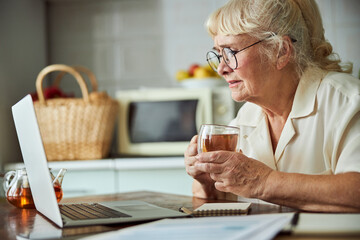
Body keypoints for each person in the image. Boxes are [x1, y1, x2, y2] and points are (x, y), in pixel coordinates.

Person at [184, 0, 360, 212]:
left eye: (231, 51)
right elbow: (220, 201)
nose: (221, 68)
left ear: (281, 51)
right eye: (219, 54)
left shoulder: (347, 100)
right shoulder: (247, 117)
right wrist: (208, 182)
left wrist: (263, 182)